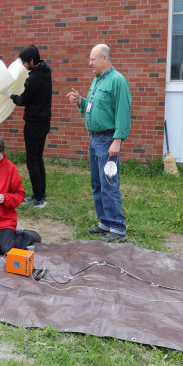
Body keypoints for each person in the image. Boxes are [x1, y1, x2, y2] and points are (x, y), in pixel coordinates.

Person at [66, 44, 131, 243]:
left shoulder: (117, 81)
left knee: (109, 183)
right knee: (97, 182)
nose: (89, 63)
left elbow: (122, 112)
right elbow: (94, 108)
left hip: (107, 140)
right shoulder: (97, 81)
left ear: (104, 58)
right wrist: (80, 101)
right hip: (95, 139)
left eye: (93, 59)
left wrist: (117, 140)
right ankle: (105, 222)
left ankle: (118, 227)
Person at [5, 45, 52, 208]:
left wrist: (9, 94)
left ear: (32, 61)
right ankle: (42, 195)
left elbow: (22, 100)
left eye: (25, 63)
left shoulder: (33, 79)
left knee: (32, 160)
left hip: (33, 124)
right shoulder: (46, 71)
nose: (24, 66)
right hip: (45, 123)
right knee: (38, 159)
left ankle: (38, 198)